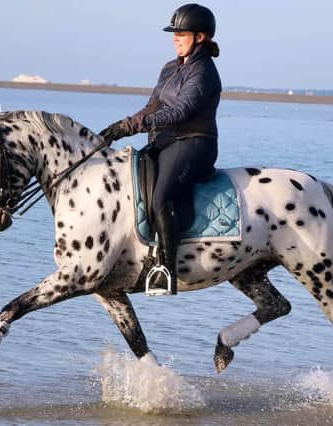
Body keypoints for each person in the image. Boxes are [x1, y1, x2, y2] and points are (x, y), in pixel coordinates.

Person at [99, 3, 222, 295]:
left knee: (161, 198)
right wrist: (120, 126)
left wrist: (130, 128)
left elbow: (178, 113)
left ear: (201, 37)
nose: (175, 38)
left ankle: (167, 270)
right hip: (166, 142)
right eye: (174, 33)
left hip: (195, 143)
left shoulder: (204, 72)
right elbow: (153, 107)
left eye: (181, 33)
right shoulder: (170, 68)